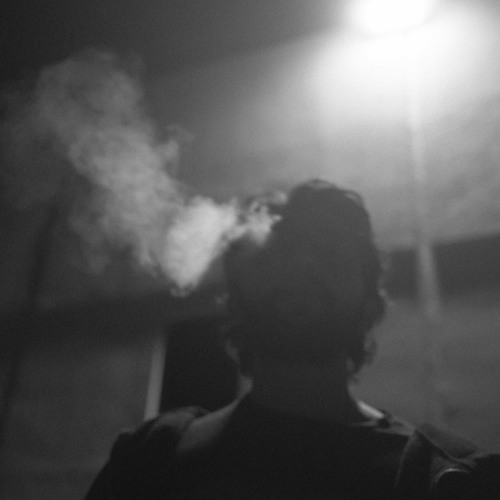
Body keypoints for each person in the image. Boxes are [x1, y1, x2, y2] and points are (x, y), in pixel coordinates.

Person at [86, 179, 500, 499]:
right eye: (275, 252)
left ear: (369, 296)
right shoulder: (149, 460)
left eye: (328, 250)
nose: (300, 266)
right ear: (235, 296)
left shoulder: (446, 479)